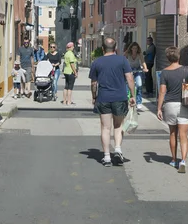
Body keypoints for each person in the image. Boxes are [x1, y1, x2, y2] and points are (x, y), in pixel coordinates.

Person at [89, 37, 136, 167]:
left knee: (105, 127)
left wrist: (94, 96)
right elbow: (130, 78)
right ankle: (118, 149)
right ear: (115, 48)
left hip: (103, 98)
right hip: (119, 98)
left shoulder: (96, 62)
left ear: (103, 49)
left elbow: (93, 83)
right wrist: (132, 95)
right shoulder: (122, 60)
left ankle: (107, 157)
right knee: (118, 125)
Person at [157, 46, 188, 173]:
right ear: (179, 56)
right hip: (184, 105)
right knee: (183, 135)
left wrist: (159, 108)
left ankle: (173, 159)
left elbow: (162, 92)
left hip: (170, 104)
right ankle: (183, 160)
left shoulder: (164, 72)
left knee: (172, 133)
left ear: (167, 58)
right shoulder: (187, 70)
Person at [124, 42, 148, 111]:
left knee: (139, 84)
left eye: (136, 48)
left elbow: (143, 62)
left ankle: (139, 102)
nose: (135, 49)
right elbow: (122, 59)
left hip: (137, 70)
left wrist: (145, 68)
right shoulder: (127, 53)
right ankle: (126, 100)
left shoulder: (139, 54)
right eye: (133, 48)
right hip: (130, 70)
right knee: (127, 85)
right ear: (131, 48)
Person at [62, 42, 78, 106]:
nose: (73, 47)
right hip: (70, 71)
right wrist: (75, 72)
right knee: (70, 87)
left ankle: (64, 100)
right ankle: (69, 101)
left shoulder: (66, 53)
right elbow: (72, 64)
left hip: (66, 71)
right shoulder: (71, 54)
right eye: (73, 46)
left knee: (66, 86)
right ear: (71, 47)